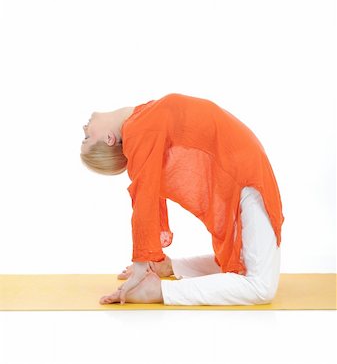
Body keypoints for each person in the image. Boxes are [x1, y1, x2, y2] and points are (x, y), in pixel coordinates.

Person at [80, 93, 285, 305]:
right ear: (109, 139)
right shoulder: (139, 128)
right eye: (86, 139)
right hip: (246, 181)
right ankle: (161, 285)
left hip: (245, 178)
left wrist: (145, 264)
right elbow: (145, 196)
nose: (84, 130)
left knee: (251, 276)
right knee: (261, 286)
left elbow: (146, 193)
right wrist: (142, 267)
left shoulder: (141, 120)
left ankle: (163, 281)